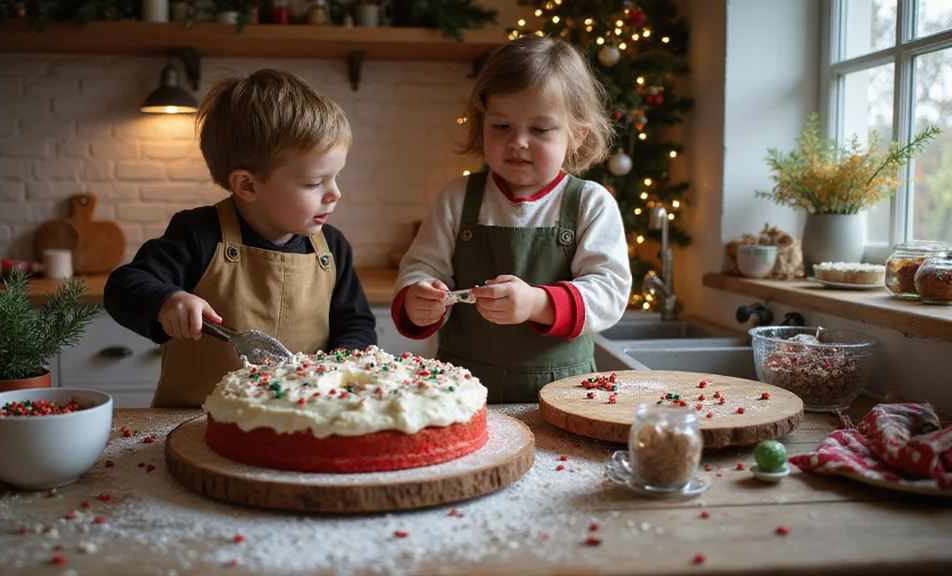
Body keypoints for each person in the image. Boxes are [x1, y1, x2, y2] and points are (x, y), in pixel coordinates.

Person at [105, 68, 376, 408]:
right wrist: (166, 300)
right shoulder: (198, 234)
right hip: (193, 422)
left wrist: (342, 362)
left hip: (300, 420)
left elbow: (356, 323)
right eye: (314, 183)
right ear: (247, 185)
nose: (334, 193)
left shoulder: (332, 248)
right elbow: (123, 285)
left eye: (335, 177)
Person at [392, 36, 632, 403]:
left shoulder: (590, 203)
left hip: (562, 393)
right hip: (462, 390)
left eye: (539, 129)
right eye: (501, 126)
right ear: (481, 123)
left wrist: (538, 303)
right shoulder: (457, 198)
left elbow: (609, 292)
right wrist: (417, 297)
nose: (518, 141)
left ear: (576, 135)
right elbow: (422, 265)